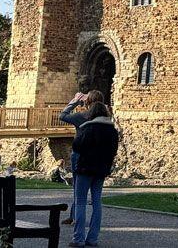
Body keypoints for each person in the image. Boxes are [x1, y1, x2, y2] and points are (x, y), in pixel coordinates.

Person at [69, 102, 119, 248]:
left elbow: (77, 146)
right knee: (97, 202)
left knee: (80, 202)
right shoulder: (112, 131)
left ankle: (78, 238)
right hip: (101, 170)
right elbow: (113, 150)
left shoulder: (88, 128)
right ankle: (93, 238)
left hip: (85, 168)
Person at [60, 90, 105, 225]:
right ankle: (79, 219)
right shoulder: (106, 118)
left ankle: (76, 219)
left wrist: (74, 101)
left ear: (88, 102)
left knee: (78, 188)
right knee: (96, 196)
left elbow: (63, 116)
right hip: (98, 156)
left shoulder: (82, 116)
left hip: (80, 155)